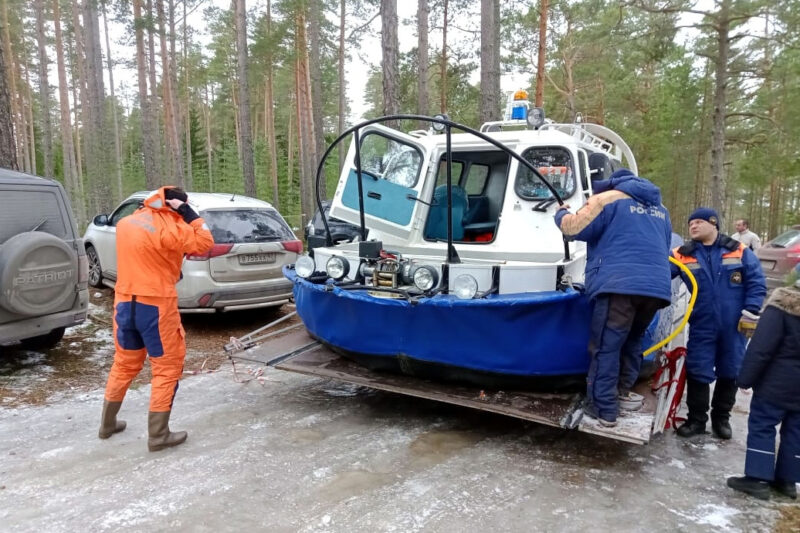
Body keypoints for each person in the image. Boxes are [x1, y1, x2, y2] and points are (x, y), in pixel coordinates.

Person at [98, 186, 213, 451]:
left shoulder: (127, 223)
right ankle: (159, 435)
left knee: (124, 364)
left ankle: (107, 424)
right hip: (156, 306)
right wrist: (188, 213)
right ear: (175, 205)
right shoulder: (172, 228)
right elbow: (205, 241)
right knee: (167, 367)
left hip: (125, 303)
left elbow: (147, 253)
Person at [554, 168, 672, 427]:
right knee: (632, 340)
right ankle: (620, 392)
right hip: (655, 289)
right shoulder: (660, 208)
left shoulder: (607, 198)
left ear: (614, 181)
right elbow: (663, 247)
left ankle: (603, 409)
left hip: (619, 286)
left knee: (606, 346)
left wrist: (561, 212)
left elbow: (574, 228)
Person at [671, 207, 766, 439]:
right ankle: (696, 420)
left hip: (735, 325)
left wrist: (751, 311)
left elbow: (756, 282)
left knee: (731, 370)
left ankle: (721, 419)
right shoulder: (682, 254)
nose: (692, 226)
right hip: (703, 323)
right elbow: (658, 274)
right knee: (698, 369)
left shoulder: (739, 251)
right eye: (690, 223)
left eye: (698, 222)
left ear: (714, 224)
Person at [726, 274, 800, 500]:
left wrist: (745, 378)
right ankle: (787, 481)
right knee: (796, 431)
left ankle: (757, 478)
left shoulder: (781, 305)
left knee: (762, 425)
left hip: (776, 384)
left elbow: (761, 347)